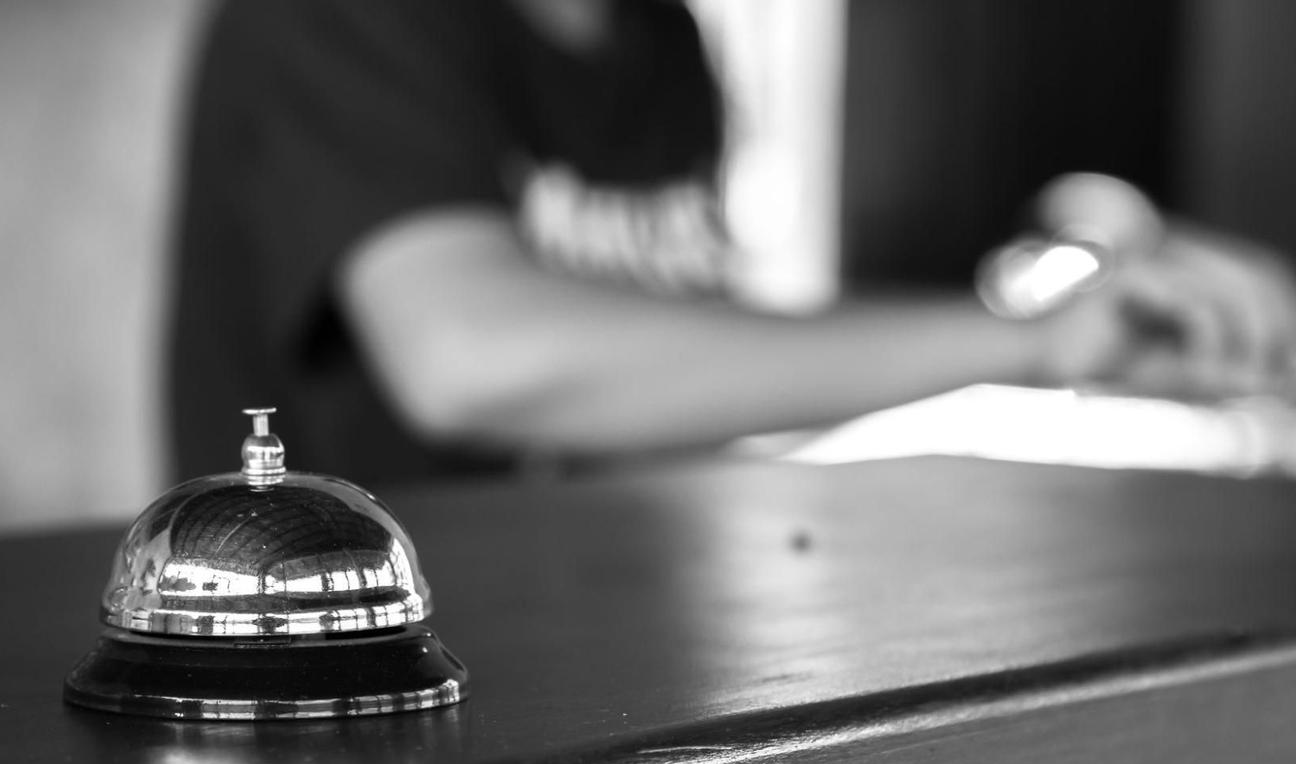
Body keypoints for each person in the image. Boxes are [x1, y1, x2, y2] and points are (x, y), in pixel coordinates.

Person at [167, 0, 1296, 485]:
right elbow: (471, 358)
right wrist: (1026, 344)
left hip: (591, 673)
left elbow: (680, 390)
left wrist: (1052, 354)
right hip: (343, 703)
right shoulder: (335, 19)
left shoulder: (660, 43)